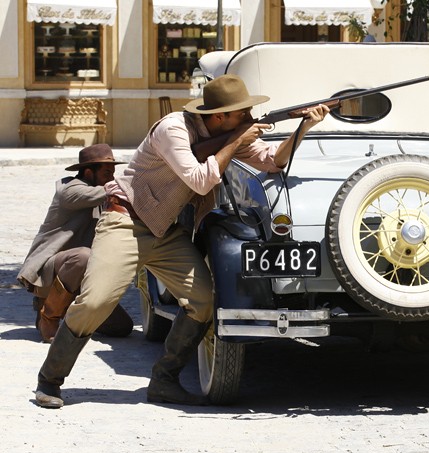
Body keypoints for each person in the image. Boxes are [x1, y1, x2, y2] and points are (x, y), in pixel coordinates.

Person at [33, 74, 330, 408]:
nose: (248, 118)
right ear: (220, 117)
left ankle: (165, 381)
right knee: (95, 303)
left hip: (165, 230)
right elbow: (202, 182)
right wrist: (235, 141)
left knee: (204, 300)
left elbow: (273, 161)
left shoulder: (229, 131)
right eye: (242, 114)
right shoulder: (172, 129)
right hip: (126, 223)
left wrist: (304, 127)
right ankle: (50, 380)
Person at [17, 144, 134, 343]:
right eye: (107, 172)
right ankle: (48, 315)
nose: (112, 177)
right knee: (83, 256)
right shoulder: (70, 190)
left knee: (122, 327)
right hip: (52, 270)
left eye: (113, 173)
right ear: (89, 172)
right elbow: (109, 192)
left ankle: (71, 308)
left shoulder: (100, 192)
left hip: (84, 277)